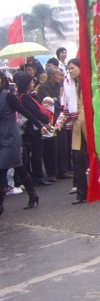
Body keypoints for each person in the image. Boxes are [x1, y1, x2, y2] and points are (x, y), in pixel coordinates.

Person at [0, 72, 48, 215]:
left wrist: (40, 125)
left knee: (2, 168)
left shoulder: (8, 96)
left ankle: (0, 204)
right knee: (19, 166)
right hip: (1, 137)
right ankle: (33, 194)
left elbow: (25, 112)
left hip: (10, 137)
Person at [58, 59, 89, 205]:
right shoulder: (69, 85)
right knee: (78, 160)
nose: (70, 71)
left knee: (98, 159)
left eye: (73, 68)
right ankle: (82, 193)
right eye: (69, 69)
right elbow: (66, 108)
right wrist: (58, 123)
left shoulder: (89, 83)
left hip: (91, 125)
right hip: (77, 125)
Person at [16, 71, 53, 187]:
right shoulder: (25, 97)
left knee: (35, 153)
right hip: (32, 128)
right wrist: (45, 119)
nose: (33, 84)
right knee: (36, 153)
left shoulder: (28, 95)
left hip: (33, 127)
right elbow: (34, 112)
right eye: (31, 82)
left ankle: (36, 176)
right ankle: (37, 176)